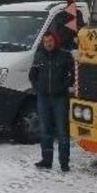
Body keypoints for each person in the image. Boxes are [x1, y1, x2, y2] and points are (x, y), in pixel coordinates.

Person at [29, 30, 74, 171]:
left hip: (60, 98)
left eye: (50, 41)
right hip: (43, 98)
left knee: (62, 131)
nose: (48, 44)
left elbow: (73, 75)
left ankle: (64, 163)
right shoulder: (39, 56)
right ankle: (46, 160)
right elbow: (32, 75)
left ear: (55, 41)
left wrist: (63, 87)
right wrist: (38, 88)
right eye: (45, 42)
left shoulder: (65, 56)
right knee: (45, 130)